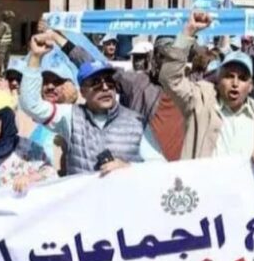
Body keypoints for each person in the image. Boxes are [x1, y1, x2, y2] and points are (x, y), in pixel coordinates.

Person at [20, 36, 162, 176]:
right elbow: (32, 105)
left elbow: (160, 166)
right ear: (83, 91)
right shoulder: (71, 117)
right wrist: (35, 57)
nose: (105, 88)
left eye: (109, 82)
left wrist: (129, 167)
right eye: (96, 83)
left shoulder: (136, 122)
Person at [159, 12, 254, 163]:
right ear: (218, 79)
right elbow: (170, 79)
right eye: (229, 76)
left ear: (250, 86)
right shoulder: (200, 101)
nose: (235, 83)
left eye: (242, 78)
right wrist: (188, 33)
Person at [0, 10, 15, 76]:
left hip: (8, 44)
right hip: (3, 44)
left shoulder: (7, 25)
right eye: (10, 18)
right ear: (6, 18)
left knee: (7, 59)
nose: (11, 20)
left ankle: (6, 71)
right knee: (2, 58)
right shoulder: (2, 25)